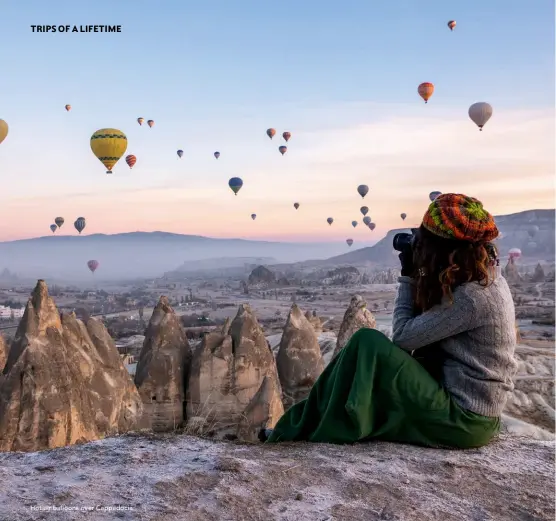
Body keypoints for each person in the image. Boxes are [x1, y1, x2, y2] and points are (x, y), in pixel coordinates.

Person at [261, 193, 518, 449]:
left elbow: (404, 338)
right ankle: (301, 425)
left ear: (445, 249)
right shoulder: (482, 280)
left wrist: (408, 276)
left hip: (463, 420)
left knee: (367, 341)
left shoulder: (474, 297)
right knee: (360, 359)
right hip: (470, 414)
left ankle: (307, 429)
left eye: (425, 240)